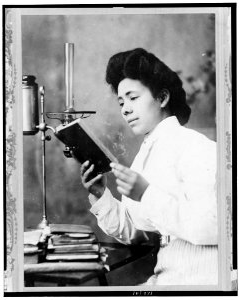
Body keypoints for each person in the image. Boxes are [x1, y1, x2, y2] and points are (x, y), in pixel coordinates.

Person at [79, 48, 217, 285]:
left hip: (201, 278)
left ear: (162, 98)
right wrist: (101, 195)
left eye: (133, 98)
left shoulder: (195, 146)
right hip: (166, 276)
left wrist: (145, 193)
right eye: (121, 102)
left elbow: (213, 225)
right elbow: (138, 231)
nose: (125, 109)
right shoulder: (147, 153)